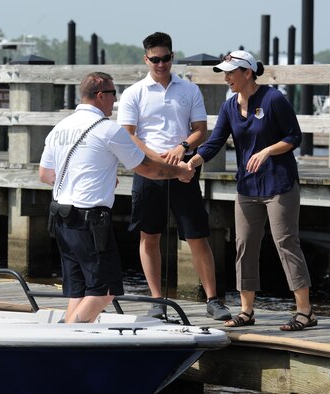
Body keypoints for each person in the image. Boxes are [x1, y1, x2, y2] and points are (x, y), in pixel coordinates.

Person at [39, 71, 195, 324]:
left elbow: (46, 174)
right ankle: (68, 339)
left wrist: (90, 178)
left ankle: (63, 340)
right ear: (101, 95)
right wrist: (180, 172)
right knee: (105, 292)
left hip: (60, 217)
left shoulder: (60, 127)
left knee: (80, 291)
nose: (116, 101)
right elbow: (147, 169)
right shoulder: (108, 129)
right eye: (113, 95)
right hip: (89, 220)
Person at [188, 50, 317, 331]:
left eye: (231, 73)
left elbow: (294, 137)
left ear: (247, 73)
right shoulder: (229, 107)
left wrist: (268, 151)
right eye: (224, 73)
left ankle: (305, 312)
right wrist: (193, 161)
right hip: (247, 186)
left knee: (286, 243)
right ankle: (247, 311)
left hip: (280, 184)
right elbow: (215, 142)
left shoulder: (273, 99)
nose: (226, 78)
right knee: (244, 245)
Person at [117, 32, 231, 321]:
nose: (161, 64)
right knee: (149, 235)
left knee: (197, 235)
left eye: (165, 58)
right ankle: (157, 299)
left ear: (172, 56)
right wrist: (159, 161)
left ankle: (213, 299)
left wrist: (181, 150)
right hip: (149, 170)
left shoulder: (189, 89)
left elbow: (200, 130)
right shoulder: (133, 93)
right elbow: (129, 136)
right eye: (155, 59)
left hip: (185, 167)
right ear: (146, 59)